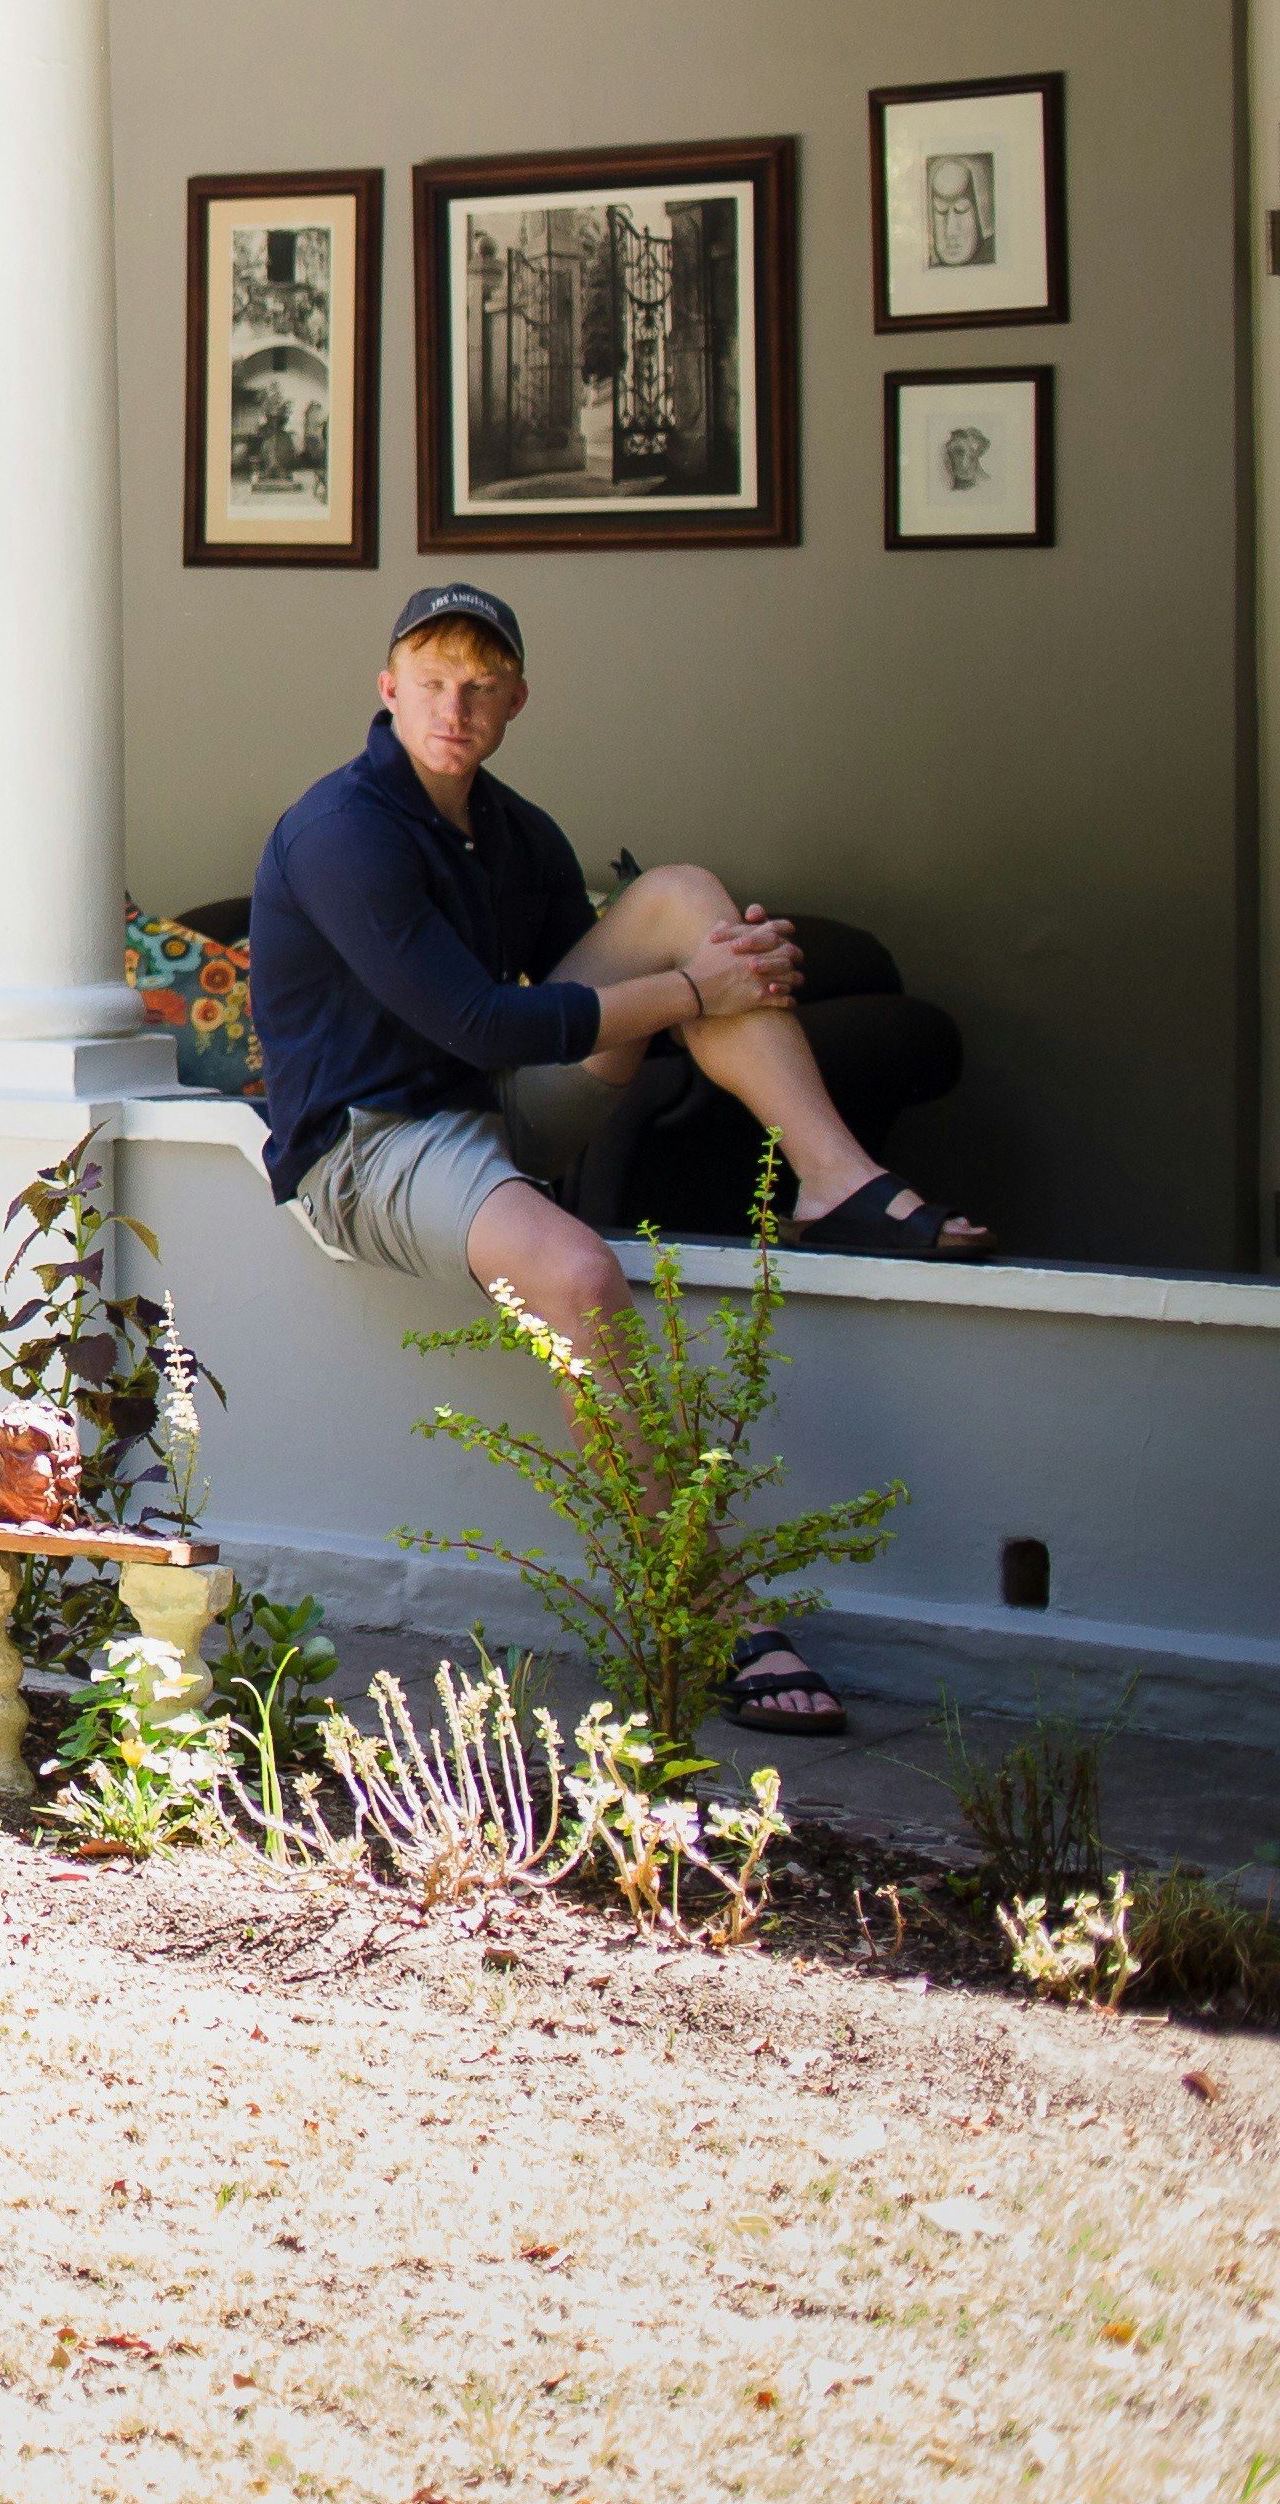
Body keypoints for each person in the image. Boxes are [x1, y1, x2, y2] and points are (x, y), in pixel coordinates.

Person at [247, 580, 982, 1741]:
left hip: (495, 1110)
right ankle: (708, 1600)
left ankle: (834, 1180)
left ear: (517, 702)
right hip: (370, 1143)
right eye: (432, 682)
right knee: (583, 1274)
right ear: (388, 690)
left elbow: (600, 997)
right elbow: (480, 1024)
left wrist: (731, 964)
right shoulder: (341, 833)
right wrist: (699, 986)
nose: (455, 707)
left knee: (680, 896)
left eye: (481, 686)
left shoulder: (520, 834)